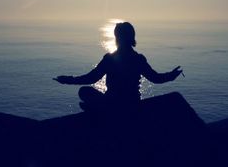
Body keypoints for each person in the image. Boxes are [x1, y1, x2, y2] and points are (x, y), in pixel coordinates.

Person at [54, 22, 183, 111]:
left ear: (117, 38)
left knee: (84, 91)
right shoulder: (138, 59)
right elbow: (156, 78)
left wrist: (68, 80)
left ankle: (100, 111)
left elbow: (91, 78)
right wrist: (171, 76)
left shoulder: (110, 59)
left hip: (112, 103)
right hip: (133, 104)